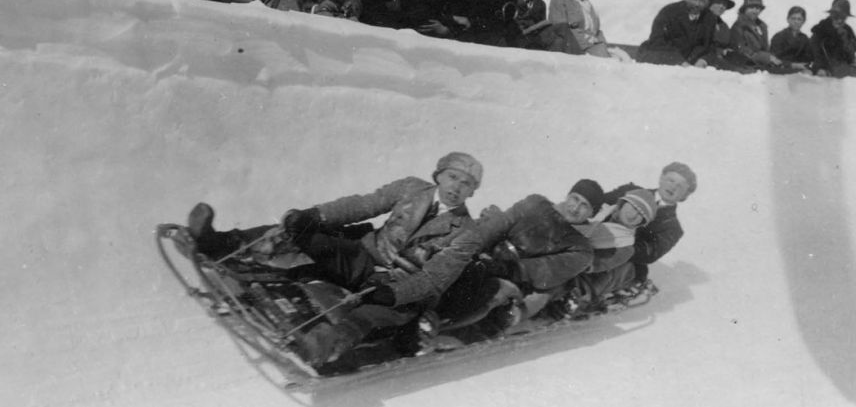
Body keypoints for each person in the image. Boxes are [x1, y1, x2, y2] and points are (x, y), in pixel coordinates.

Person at [179, 152, 485, 367]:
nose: (456, 187)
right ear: (439, 175)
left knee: (370, 314)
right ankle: (219, 243)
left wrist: (392, 292)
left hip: (401, 288)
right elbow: (363, 205)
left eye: (466, 184)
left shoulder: (467, 231)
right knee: (301, 231)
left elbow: (434, 279)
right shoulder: (412, 188)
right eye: (453, 177)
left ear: (472, 192)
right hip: (365, 258)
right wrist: (316, 215)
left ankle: (326, 345)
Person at [468, 179, 604, 322]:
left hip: (516, 278)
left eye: (584, 206)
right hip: (488, 254)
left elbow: (544, 268)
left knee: (486, 297)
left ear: (591, 214)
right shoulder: (537, 203)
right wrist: (472, 248)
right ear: (568, 195)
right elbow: (500, 224)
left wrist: (505, 269)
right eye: (575, 199)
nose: (575, 208)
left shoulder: (581, 248)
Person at [579, 162, 698, 304]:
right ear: (661, 178)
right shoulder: (630, 191)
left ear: (685, 195)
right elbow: (598, 203)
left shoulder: (672, 228)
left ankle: (577, 297)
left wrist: (613, 241)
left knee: (616, 268)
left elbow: (649, 253)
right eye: (671, 180)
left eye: (680, 186)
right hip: (593, 235)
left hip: (624, 259)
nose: (672, 187)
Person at [637, 0, 712, 67]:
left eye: (702, 1)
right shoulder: (669, 12)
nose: (697, 4)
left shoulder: (709, 17)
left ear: (707, 3)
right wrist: (678, 61)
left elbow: (707, 45)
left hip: (688, 62)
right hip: (659, 56)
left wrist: (703, 59)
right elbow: (657, 40)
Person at [729, 0, 792, 73]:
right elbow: (741, 50)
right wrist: (765, 57)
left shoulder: (762, 26)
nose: (755, 11)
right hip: (748, 65)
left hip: (763, 64)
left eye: (758, 8)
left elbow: (765, 48)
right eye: (752, 7)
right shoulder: (738, 26)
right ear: (744, 9)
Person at [809, 0, 856, 78]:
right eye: (836, 16)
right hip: (825, 69)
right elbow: (814, 51)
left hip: (845, 68)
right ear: (831, 14)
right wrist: (820, 68)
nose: (840, 20)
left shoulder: (847, 30)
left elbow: (852, 53)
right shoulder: (820, 29)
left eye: (843, 17)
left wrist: (845, 40)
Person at [770, 6, 813, 73]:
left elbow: (807, 59)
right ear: (788, 19)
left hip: (799, 70)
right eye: (793, 18)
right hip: (781, 70)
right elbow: (774, 59)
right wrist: (793, 65)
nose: (796, 22)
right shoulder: (779, 37)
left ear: (803, 21)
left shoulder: (804, 39)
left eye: (799, 19)